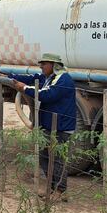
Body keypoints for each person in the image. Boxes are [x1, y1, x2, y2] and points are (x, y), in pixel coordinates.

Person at [10, 53, 76, 200]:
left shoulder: (63, 80)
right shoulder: (47, 77)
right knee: (44, 157)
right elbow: (31, 79)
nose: (41, 66)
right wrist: (9, 76)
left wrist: (25, 89)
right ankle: (52, 188)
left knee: (57, 159)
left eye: (44, 64)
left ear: (54, 65)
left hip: (60, 127)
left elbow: (47, 95)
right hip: (48, 125)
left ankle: (60, 191)